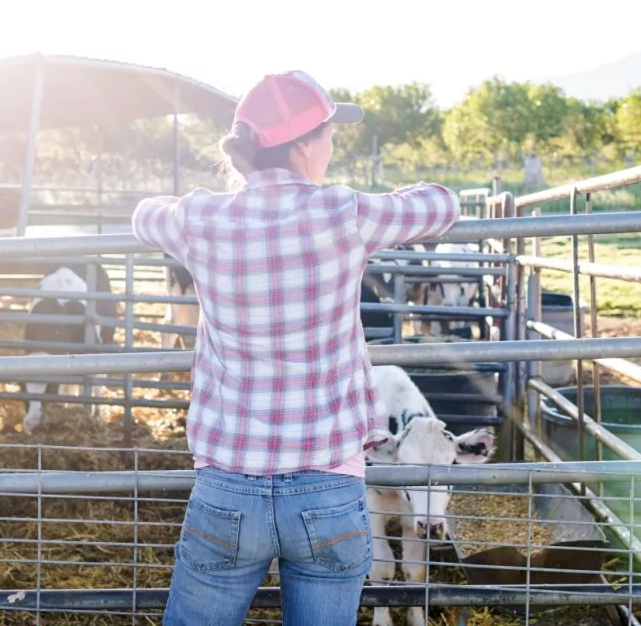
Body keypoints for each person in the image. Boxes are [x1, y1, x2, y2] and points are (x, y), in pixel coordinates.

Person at [132, 70, 460, 626]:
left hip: (228, 483)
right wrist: (381, 197)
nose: (332, 146)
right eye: (330, 134)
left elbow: (143, 215)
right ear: (305, 144)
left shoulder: (202, 216)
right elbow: (443, 205)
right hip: (328, 485)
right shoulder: (346, 212)